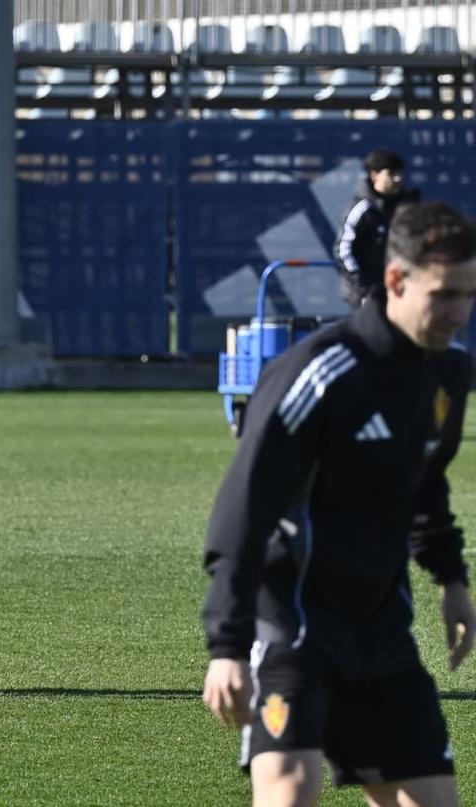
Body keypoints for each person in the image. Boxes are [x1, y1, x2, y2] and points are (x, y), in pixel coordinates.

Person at [202, 201, 476, 806]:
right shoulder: (320, 372)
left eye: (469, 295)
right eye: (445, 294)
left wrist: (451, 578)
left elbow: (425, 482)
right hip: (291, 625)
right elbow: (242, 507)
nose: (459, 313)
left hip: (380, 629)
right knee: (291, 789)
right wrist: (227, 645)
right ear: (398, 280)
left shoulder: (449, 375)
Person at [334, 147, 420, 308]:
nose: (398, 179)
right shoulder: (362, 209)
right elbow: (343, 250)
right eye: (391, 174)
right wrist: (363, 290)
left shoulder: (406, 208)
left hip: (400, 294)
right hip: (366, 297)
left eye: (400, 173)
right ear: (374, 176)